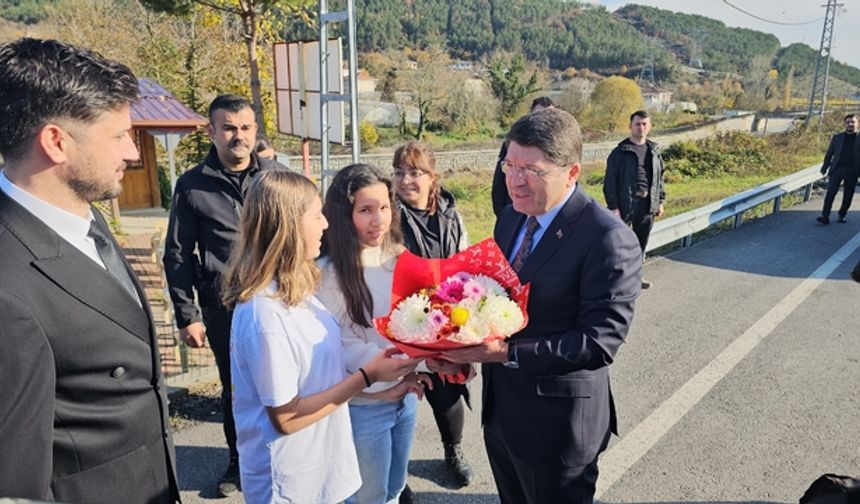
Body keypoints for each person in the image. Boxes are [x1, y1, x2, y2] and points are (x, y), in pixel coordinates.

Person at [0, 38, 179, 503]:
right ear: (56, 142)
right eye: (118, 135)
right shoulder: (7, 287)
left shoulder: (85, 215)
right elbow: (15, 482)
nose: (134, 153)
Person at [439, 108, 642, 504]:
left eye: (532, 170)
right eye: (509, 165)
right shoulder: (510, 220)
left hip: (558, 431)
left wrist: (505, 354)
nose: (515, 181)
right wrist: (461, 350)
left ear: (571, 172)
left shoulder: (606, 239)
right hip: (502, 417)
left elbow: (598, 342)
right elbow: (494, 305)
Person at [221, 170, 424, 504]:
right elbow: (286, 417)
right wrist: (369, 376)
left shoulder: (295, 290)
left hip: (321, 464)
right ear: (288, 226)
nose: (326, 225)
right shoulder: (265, 314)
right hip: (292, 482)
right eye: (317, 216)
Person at [162, 93, 289, 496]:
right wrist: (188, 314)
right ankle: (239, 460)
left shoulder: (275, 177)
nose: (239, 135)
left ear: (255, 131)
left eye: (246, 127)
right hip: (225, 308)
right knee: (236, 389)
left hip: (279, 301)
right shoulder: (192, 185)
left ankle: (287, 456)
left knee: (285, 381)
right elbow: (178, 254)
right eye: (229, 127)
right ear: (212, 131)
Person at [317, 164, 433, 504]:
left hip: (406, 398)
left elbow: (421, 322)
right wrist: (389, 372)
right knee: (368, 497)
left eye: (384, 207)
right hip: (363, 406)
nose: (378, 220)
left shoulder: (400, 259)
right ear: (342, 213)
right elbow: (336, 343)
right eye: (365, 210)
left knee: (394, 489)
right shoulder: (328, 274)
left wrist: (430, 363)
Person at [392, 141, 474, 487]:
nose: (405, 180)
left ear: (432, 177)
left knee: (447, 395)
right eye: (399, 172)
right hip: (401, 320)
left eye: (414, 172)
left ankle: (452, 450)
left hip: (444, 320)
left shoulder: (452, 215)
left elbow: (466, 264)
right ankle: (395, 476)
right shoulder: (390, 216)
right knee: (396, 399)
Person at [603, 110, 666, 289]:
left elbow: (660, 178)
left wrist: (660, 201)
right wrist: (613, 206)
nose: (641, 127)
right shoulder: (619, 152)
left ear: (650, 126)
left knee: (641, 244)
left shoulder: (654, 151)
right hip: (625, 205)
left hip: (647, 205)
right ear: (630, 126)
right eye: (638, 124)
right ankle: (616, 280)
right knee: (620, 245)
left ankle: (636, 278)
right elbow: (610, 182)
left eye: (645, 124)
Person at [491, 96, 555, 217]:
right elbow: (499, 183)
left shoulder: (561, 148)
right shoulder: (514, 143)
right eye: (540, 115)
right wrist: (503, 215)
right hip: (516, 213)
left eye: (550, 116)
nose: (544, 121)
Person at [817, 114, 860, 225]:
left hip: (853, 171)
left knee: (848, 195)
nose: (850, 124)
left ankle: (842, 214)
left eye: (853, 122)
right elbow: (830, 153)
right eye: (848, 122)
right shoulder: (837, 138)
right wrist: (825, 167)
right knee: (830, 193)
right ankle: (825, 216)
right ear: (844, 124)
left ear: (857, 124)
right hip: (837, 169)